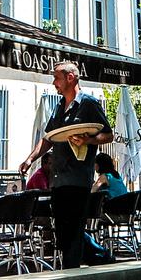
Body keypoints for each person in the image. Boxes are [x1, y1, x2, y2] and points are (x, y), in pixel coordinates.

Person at [17, 61, 114, 267]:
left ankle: (71, 275)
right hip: (58, 179)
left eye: (56, 78)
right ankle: (101, 257)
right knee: (63, 233)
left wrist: (88, 140)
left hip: (78, 179)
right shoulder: (59, 107)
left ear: (70, 78)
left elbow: (108, 135)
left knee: (72, 231)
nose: (54, 83)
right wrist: (30, 158)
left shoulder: (88, 104)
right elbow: (48, 138)